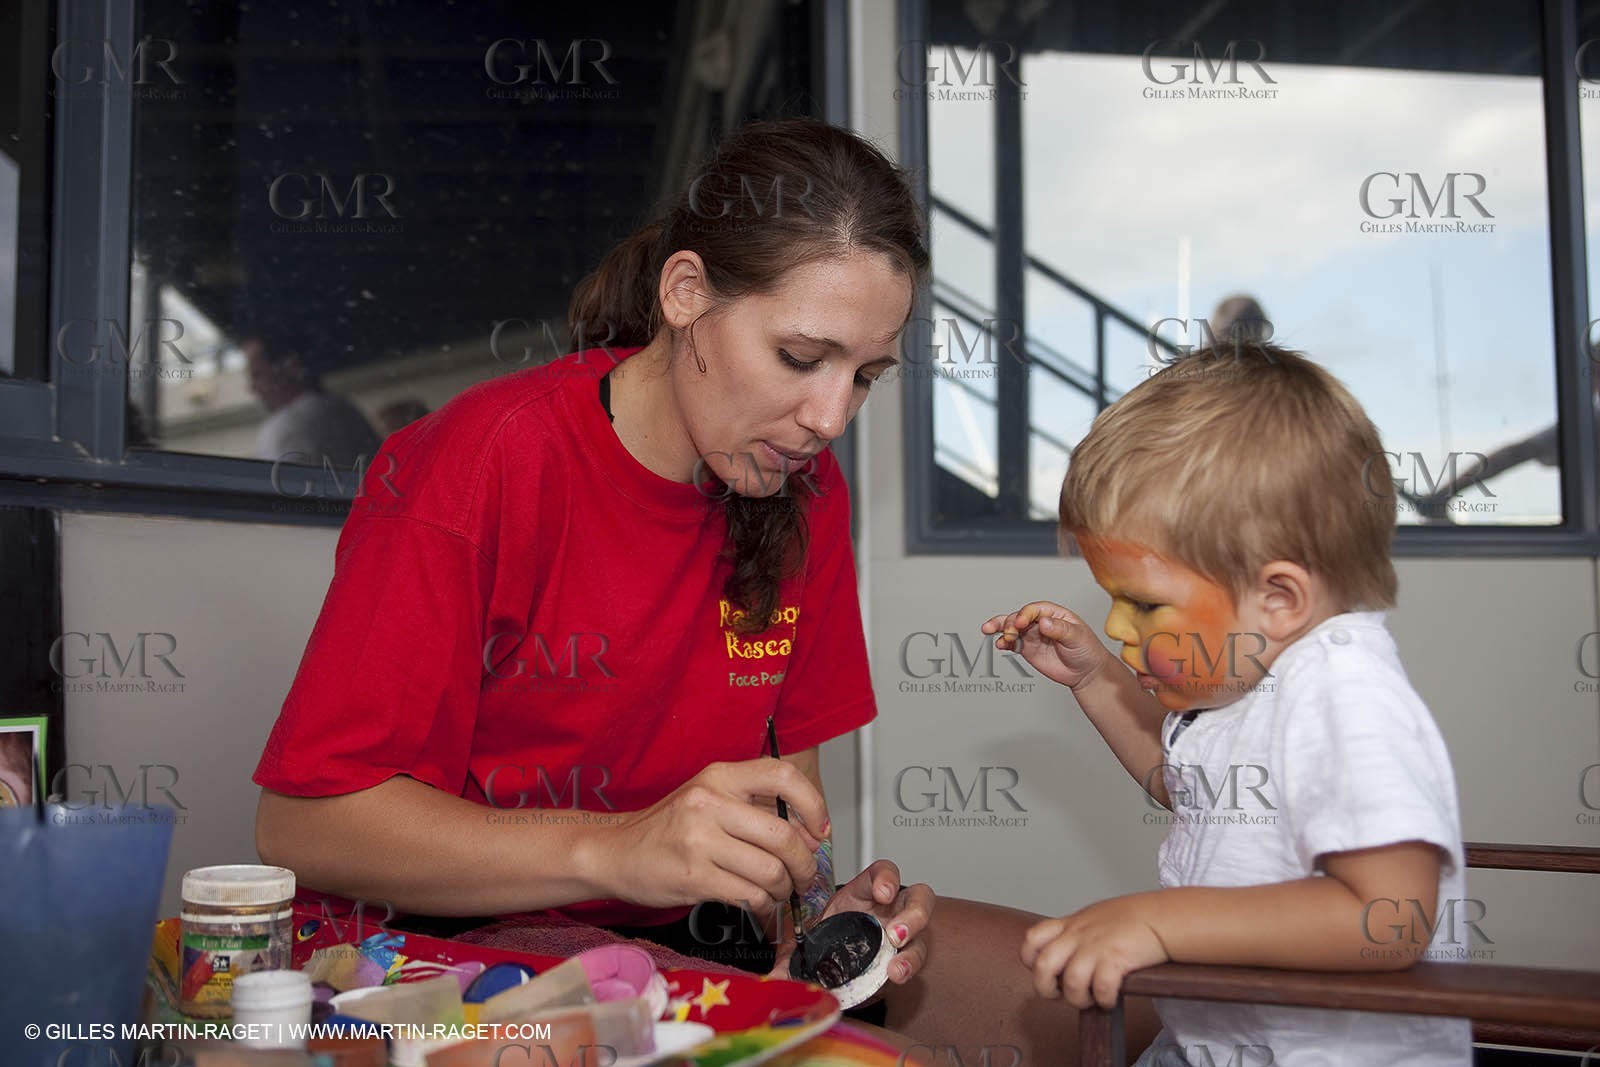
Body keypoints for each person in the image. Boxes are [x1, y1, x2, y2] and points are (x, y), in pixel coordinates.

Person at [252, 117, 1149, 1062]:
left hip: (706, 935)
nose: (830, 416)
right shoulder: (478, 468)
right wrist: (614, 847)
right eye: (802, 359)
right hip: (461, 946)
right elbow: (301, 826)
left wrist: (821, 910)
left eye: (866, 377)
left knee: (1120, 1005)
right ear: (686, 294)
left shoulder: (803, 487)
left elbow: (788, 788)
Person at [982, 343, 1471, 1065]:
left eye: (1142, 603)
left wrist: (1159, 919)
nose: (1118, 627)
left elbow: (1387, 916)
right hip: (1214, 1043)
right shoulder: (1246, 684)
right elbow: (1178, 781)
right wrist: (1096, 681)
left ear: (1278, 598)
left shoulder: (1344, 693)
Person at [243, 327, 381, 468]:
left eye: (257, 374)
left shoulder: (286, 425)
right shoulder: (346, 410)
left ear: (291, 366)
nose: (252, 388)